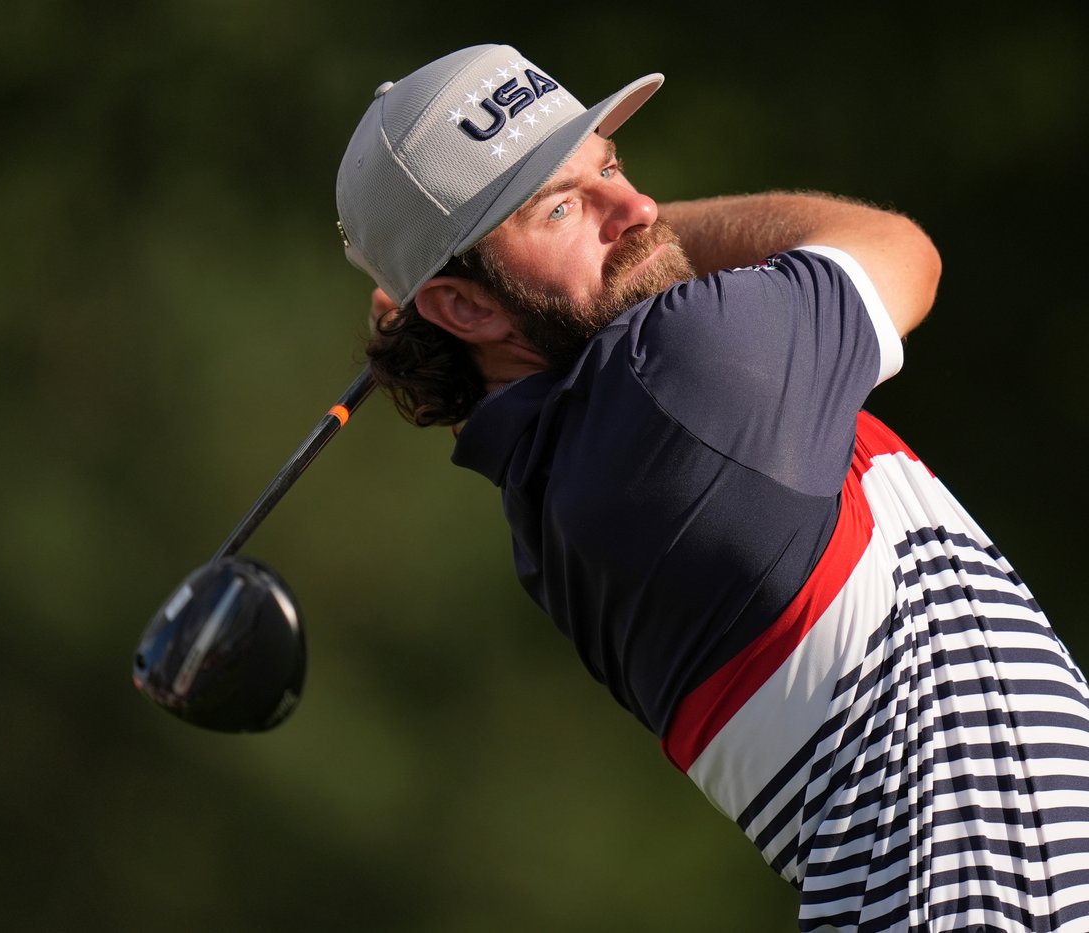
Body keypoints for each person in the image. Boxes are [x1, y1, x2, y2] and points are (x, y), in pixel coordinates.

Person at [335, 44, 1089, 932]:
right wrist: (653, 244)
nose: (641, 207)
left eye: (609, 165)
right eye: (565, 206)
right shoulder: (682, 369)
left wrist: (569, 254)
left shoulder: (552, 500)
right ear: (466, 309)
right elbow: (903, 253)